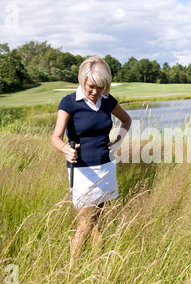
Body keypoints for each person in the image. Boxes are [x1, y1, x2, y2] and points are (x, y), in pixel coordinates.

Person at [51, 56, 131, 267]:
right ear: (82, 80)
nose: (96, 92)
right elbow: (55, 137)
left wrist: (117, 143)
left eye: (101, 87)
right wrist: (65, 150)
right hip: (82, 170)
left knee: (99, 223)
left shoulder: (107, 101)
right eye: (91, 87)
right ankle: (71, 268)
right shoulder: (69, 102)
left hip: (106, 167)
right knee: (85, 222)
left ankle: (98, 266)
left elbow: (126, 120)